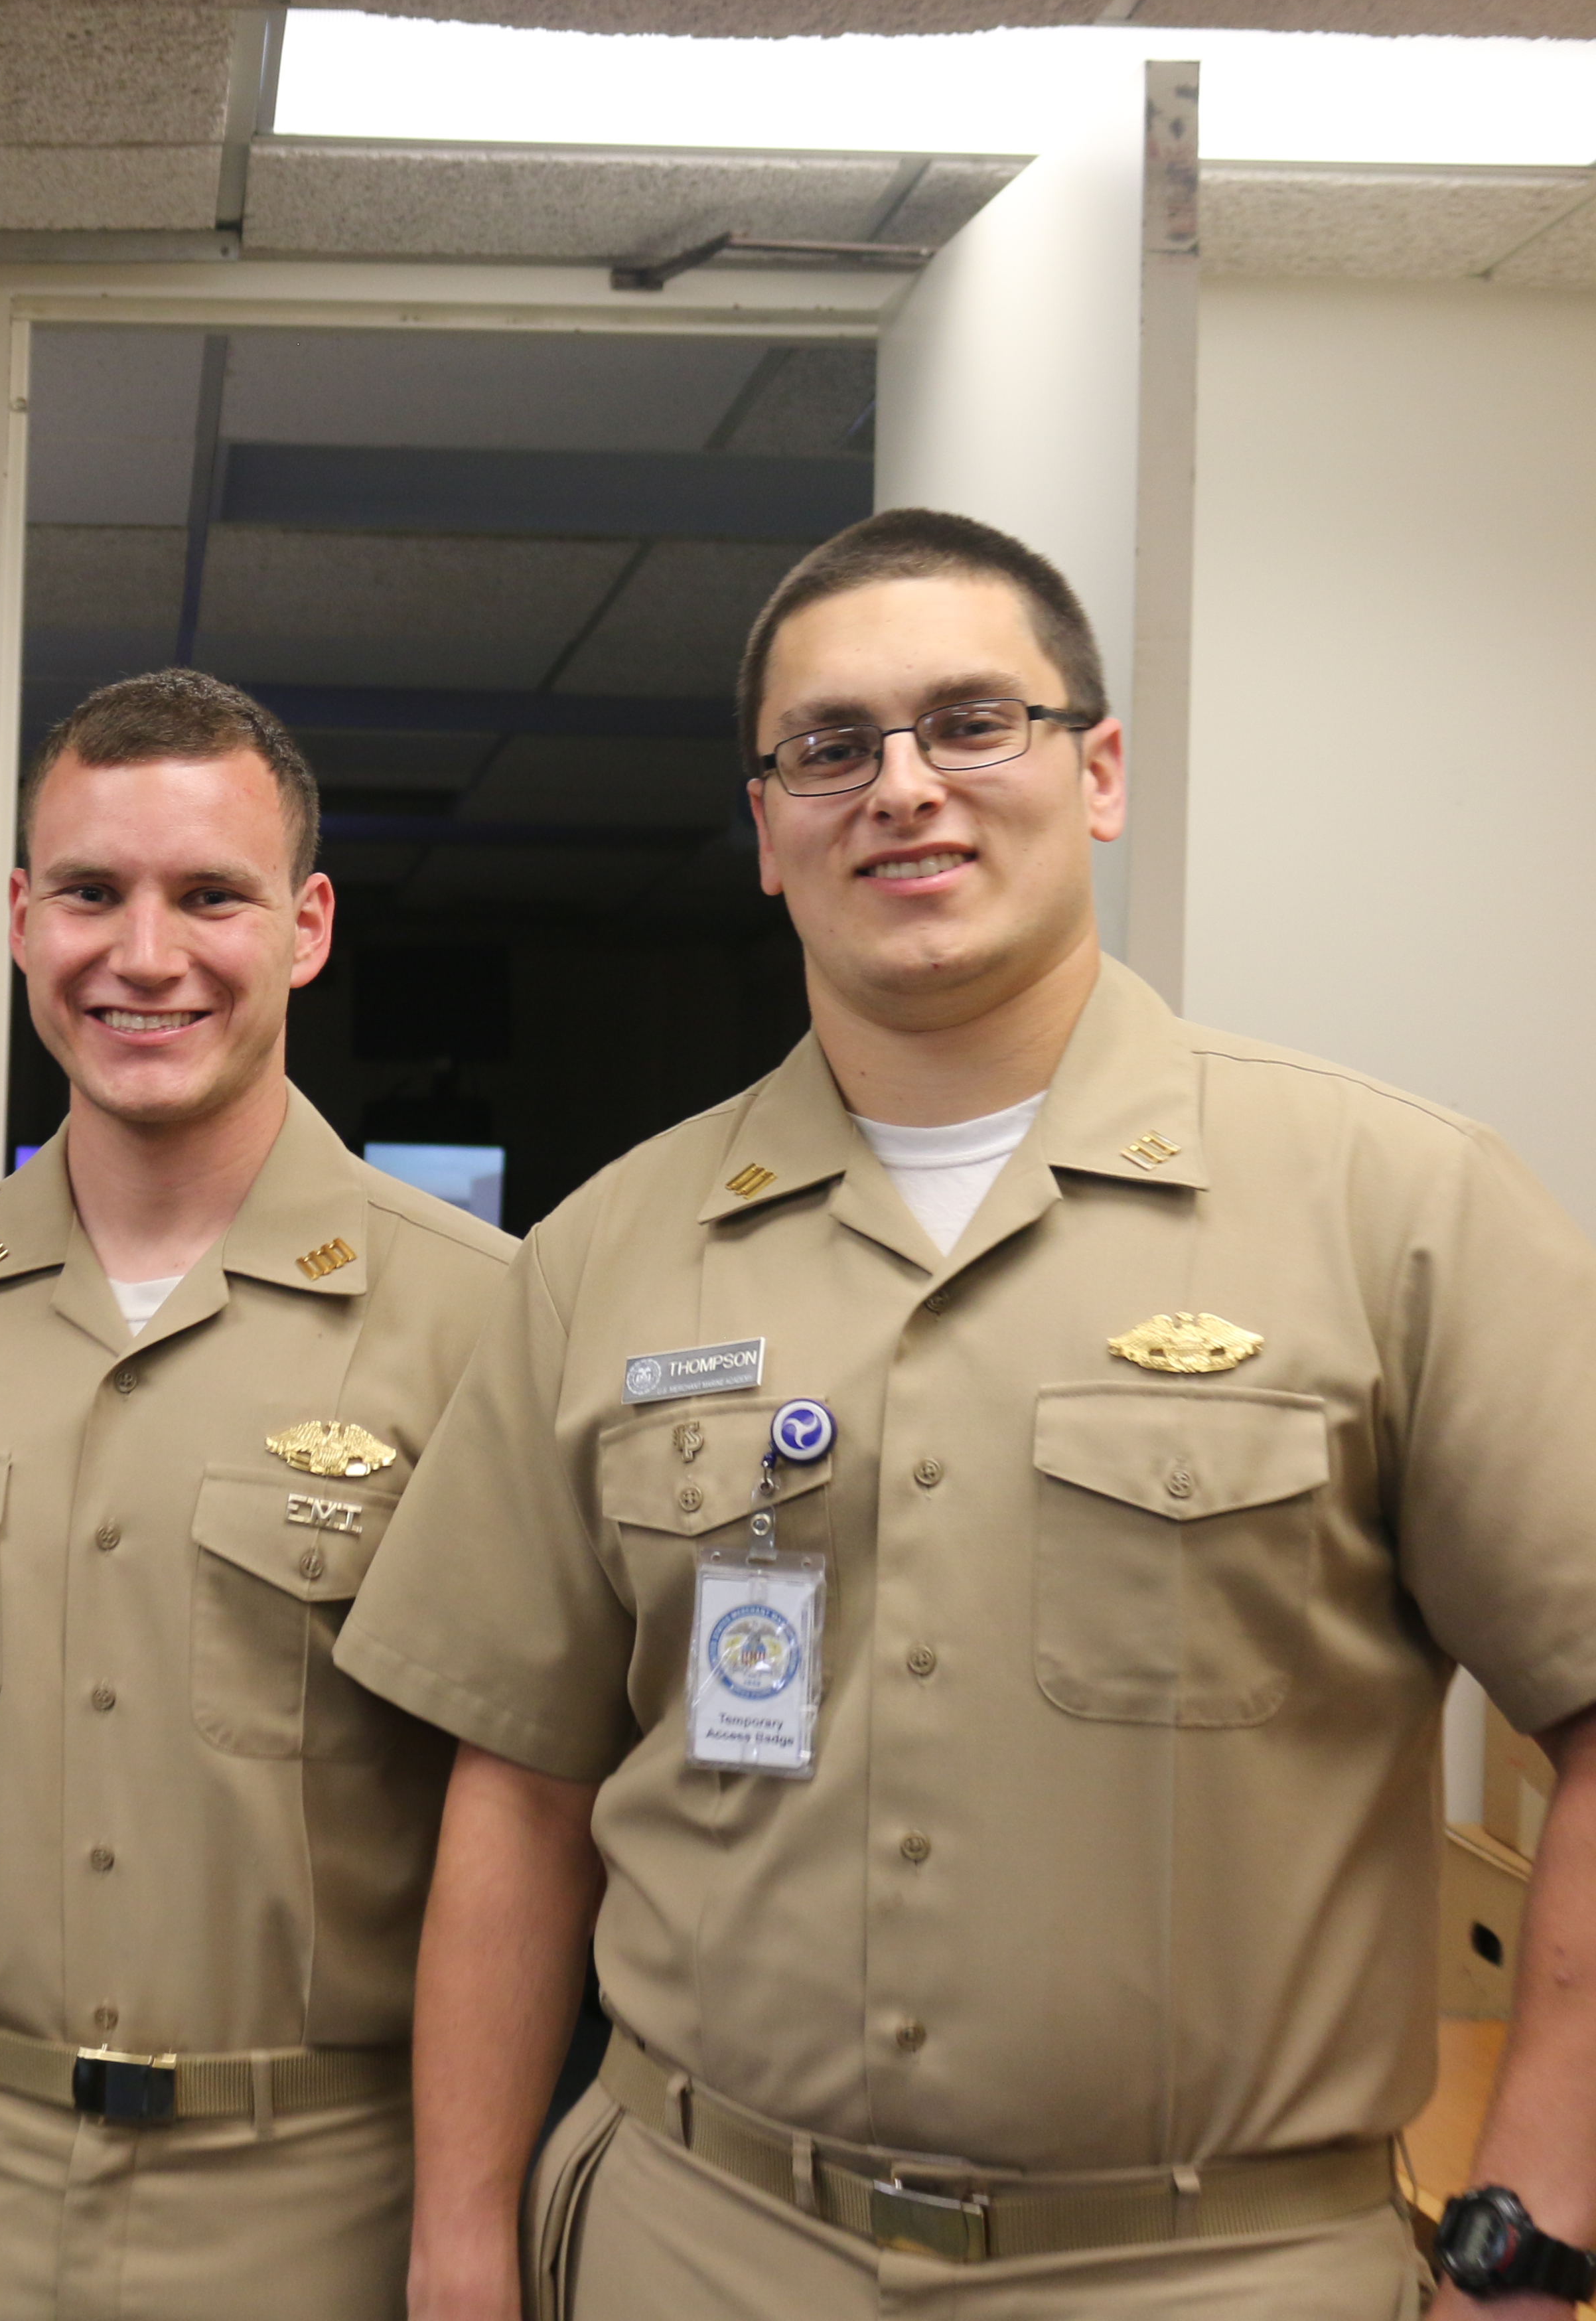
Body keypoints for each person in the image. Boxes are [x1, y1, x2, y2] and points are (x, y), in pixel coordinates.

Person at [348, 508, 1596, 2320]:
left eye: (972, 723)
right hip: (697, 2245)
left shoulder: (1399, 1205)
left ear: (1095, 771)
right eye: (832, 748)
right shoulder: (603, 1257)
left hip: (1215, 2271)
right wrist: (465, 2247)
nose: (903, 787)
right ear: (768, 830)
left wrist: (1535, 2230)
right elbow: (521, 1790)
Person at [0, 670, 514, 2320]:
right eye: (90, 893)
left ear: (308, 925)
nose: (143, 952)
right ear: (17, 918)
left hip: (325, 2196)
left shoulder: (485, 1321)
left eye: (210, 896)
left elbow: (537, 1809)